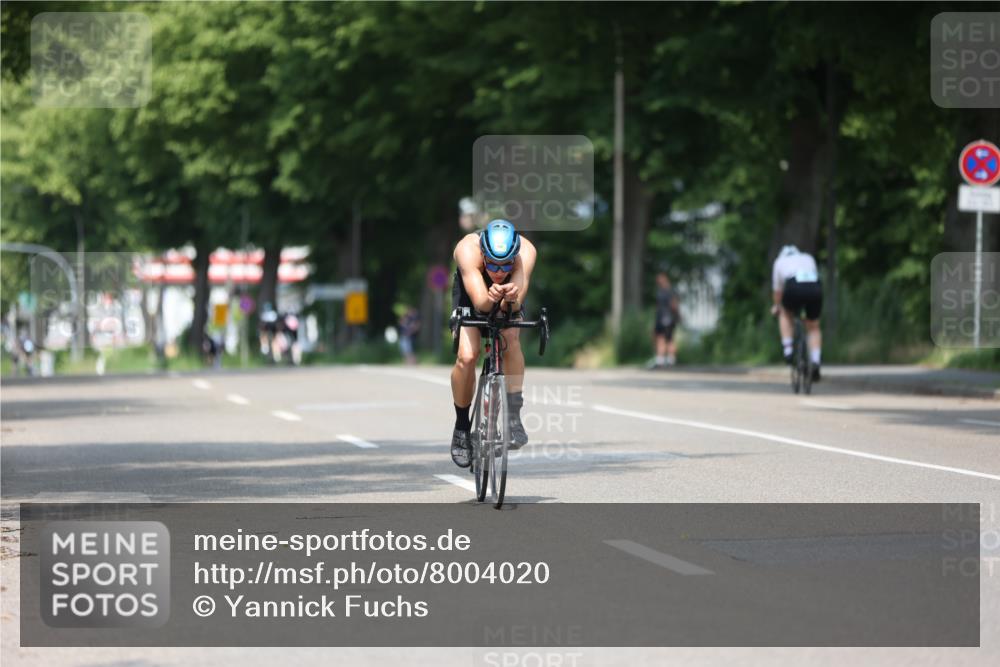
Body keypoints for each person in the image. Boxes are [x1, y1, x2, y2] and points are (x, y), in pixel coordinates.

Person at [450, 219, 537, 468]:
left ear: (515, 256)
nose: (499, 271)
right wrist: (491, 298)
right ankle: (462, 427)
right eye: (493, 264)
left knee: (510, 337)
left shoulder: (526, 252)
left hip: (509, 295)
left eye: (506, 264)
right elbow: (481, 304)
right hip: (473, 293)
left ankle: (513, 417)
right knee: (468, 355)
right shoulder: (467, 250)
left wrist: (510, 299)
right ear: (483, 254)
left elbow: (516, 305)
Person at [771, 244, 823, 382]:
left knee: (785, 312)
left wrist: (777, 306)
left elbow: (778, 292)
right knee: (813, 325)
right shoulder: (808, 257)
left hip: (793, 285)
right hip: (814, 286)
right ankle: (816, 361)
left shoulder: (779, 262)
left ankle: (788, 350)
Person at [648, 271, 680, 369]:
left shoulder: (670, 291)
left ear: (665, 279)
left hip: (668, 318)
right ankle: (660, 359)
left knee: (669, 338)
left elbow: (674, 304)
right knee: (659, 338)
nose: (659, 281)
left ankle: (670, 360)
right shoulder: (660, 291)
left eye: (660, 279)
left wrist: (676, 316)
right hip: (660, 318)